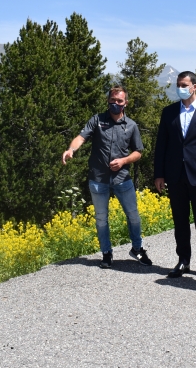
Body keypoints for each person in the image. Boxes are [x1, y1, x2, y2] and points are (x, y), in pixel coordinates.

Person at [62, 86, 152, 269]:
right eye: (112, 101)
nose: (115, 104)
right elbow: (81, 137)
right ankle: (106, 253)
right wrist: (71, 149)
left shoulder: (131, 125)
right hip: (98, 178)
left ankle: (137, 249)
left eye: (119, 101)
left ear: (125, 103)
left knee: (133, 215)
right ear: (108, 101)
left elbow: (138, 152)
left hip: (122, 178)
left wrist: (124, 160)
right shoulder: (97, 120)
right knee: (101, 218)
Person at [154, 71, 196, 282]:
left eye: (184, 84)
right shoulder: (169, 112)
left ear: (195, 87)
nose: (180, 88)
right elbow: (161, 145)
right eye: (178, 84)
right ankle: (183, 260)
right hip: (175, 176)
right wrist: (159, 174)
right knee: (180, 221)